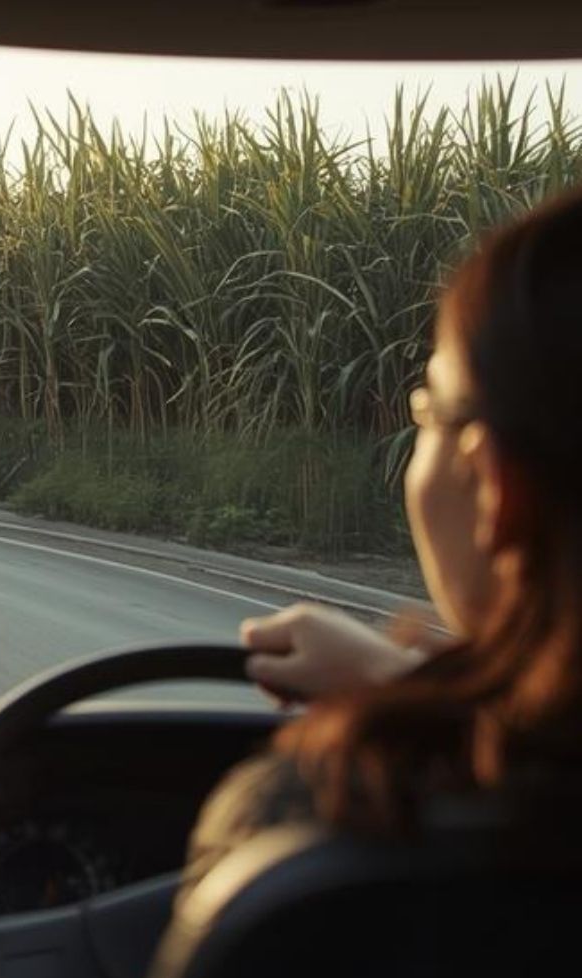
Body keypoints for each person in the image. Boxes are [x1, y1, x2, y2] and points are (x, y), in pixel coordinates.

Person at [183, 186, 582, 893]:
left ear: (494, 485)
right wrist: (416, 682)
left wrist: (400, 716)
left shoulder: (310, 818)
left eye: (428, 408)